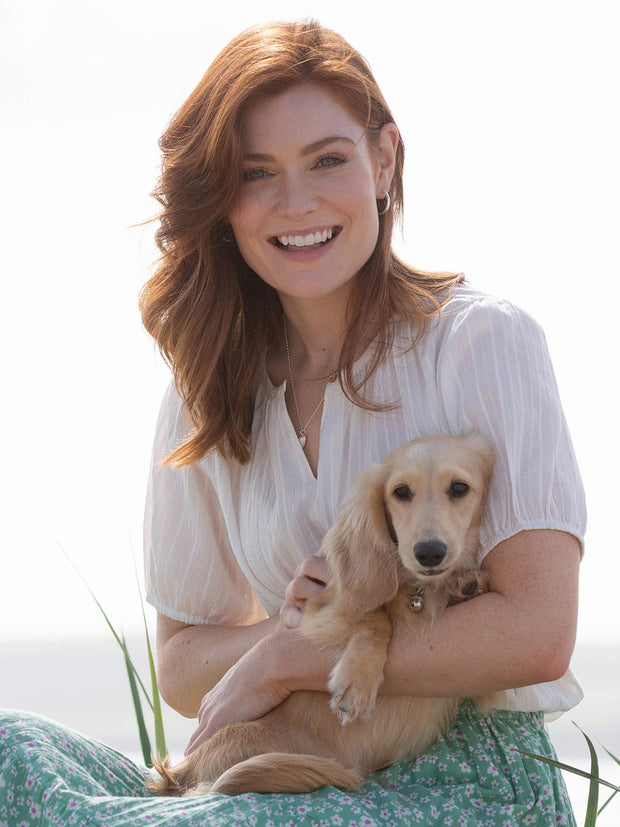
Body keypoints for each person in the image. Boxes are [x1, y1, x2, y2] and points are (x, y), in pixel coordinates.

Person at [0, 20, 586, 826]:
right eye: (256, 173)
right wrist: (284, 646)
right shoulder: (207, 393)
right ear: (222, 200)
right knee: (7, 749)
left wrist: (298, 654)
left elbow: (537, 632)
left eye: (327, 160)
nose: (296, 202)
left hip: (461, 779)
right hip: (283, 757)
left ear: (384, 162)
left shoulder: (481, 343)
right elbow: (182, 662)